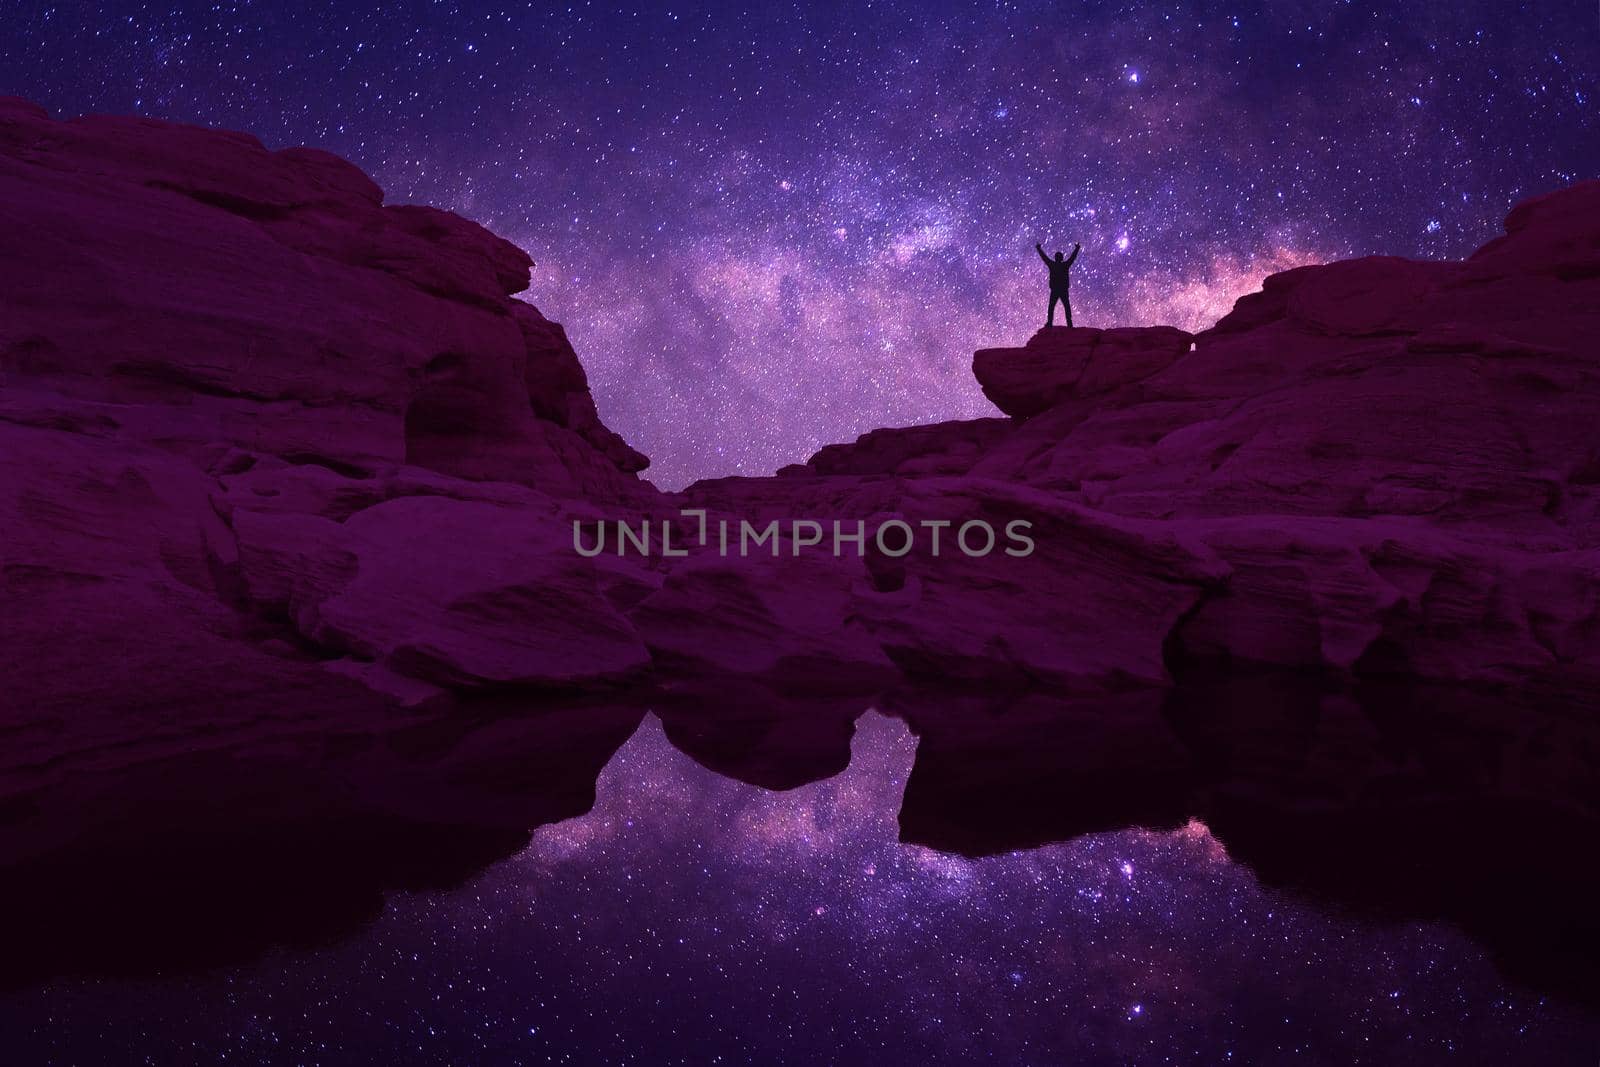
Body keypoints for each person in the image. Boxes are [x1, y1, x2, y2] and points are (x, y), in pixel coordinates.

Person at [1036, 241, 1080, 327]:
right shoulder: (1065, 265)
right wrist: (1077, 248)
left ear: (1056, 258)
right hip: (1062, 289)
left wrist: (1039, 248)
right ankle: (1069, 324)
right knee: (1066, 307)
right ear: (1062, 258)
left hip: (1056, 289)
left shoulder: (1052, 264)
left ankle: (1050, 323)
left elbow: (1044, 258)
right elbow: (1072, 258)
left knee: (1052, 307)